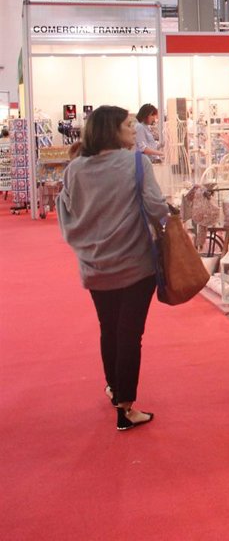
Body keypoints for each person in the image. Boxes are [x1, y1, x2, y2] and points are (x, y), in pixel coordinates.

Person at [58, 105, 168, 431]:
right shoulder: (136, 163)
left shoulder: (75, 169)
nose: (134, 130)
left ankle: (114, 388)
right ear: (112, 131)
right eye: (128, 125)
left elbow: (66, 215)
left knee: (109, 328)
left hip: (95, 267)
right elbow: (155, 207)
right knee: (130, 334)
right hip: (136, 265)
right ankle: (126, 407)